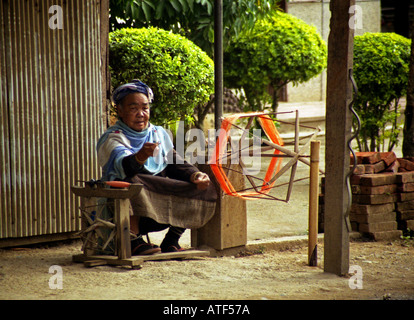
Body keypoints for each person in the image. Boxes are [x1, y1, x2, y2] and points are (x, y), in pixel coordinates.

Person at [97, 80, 217, 255]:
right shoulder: (113, 138)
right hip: (124, 209)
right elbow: (125, 168)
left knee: (204, 185)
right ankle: (132, 240)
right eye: (133, 108)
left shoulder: (158, 133)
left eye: (145, 108)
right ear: (120, 111)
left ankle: (171, 240)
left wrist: (195, 175)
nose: (141, 114)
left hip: (157, 209)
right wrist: (139, 157)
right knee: (132, 182)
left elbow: (175, 162)